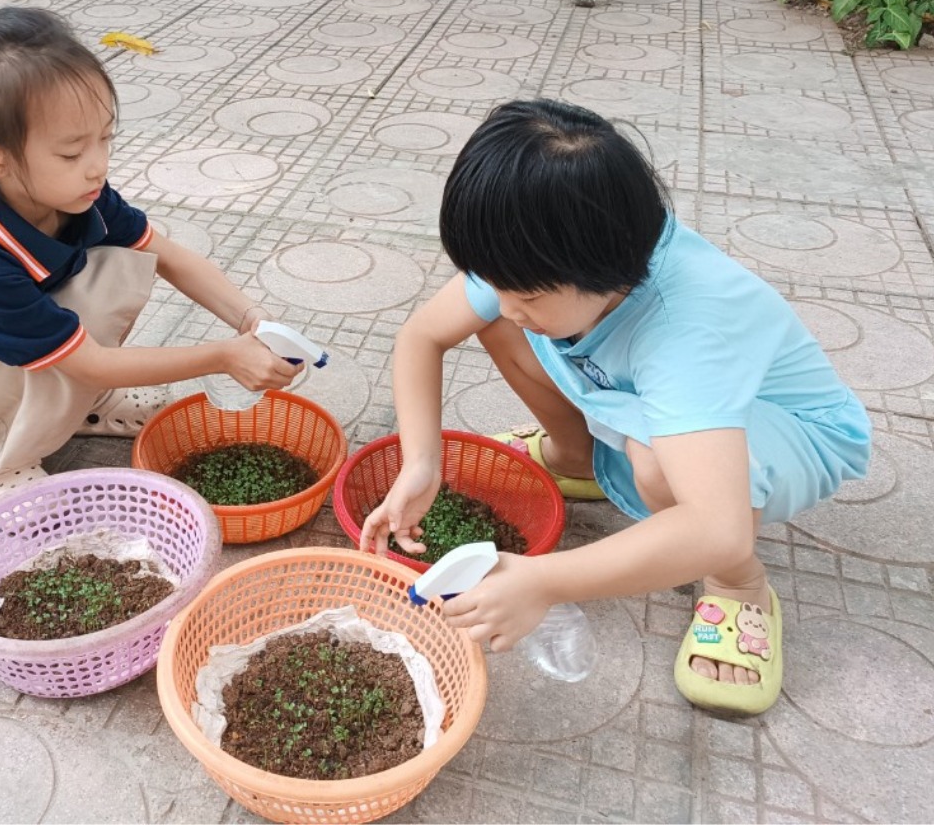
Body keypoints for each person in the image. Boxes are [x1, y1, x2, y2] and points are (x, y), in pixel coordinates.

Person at [360, 99, 870, 715]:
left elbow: (717, 524)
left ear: (605, 270)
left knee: (655, 459)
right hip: (659, 400)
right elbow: (421, 336)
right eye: (491, 281)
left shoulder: (685, 330)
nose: (501, 298)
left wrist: (541, 582)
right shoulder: (542, 251)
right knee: (498, 326)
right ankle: (578, 458)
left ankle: (738, 585)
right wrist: (423, 464)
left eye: (523, 292)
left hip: (793, 434)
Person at [0, 6, 295, 506]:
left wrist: (252, 322)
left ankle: (77, 409)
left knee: (120, 261)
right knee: (72, 348)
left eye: (105, 139)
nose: (98, 167)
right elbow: (91, 363)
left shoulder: (73, 192)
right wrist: (224, 357)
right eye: (71, 152)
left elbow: (168, 255)